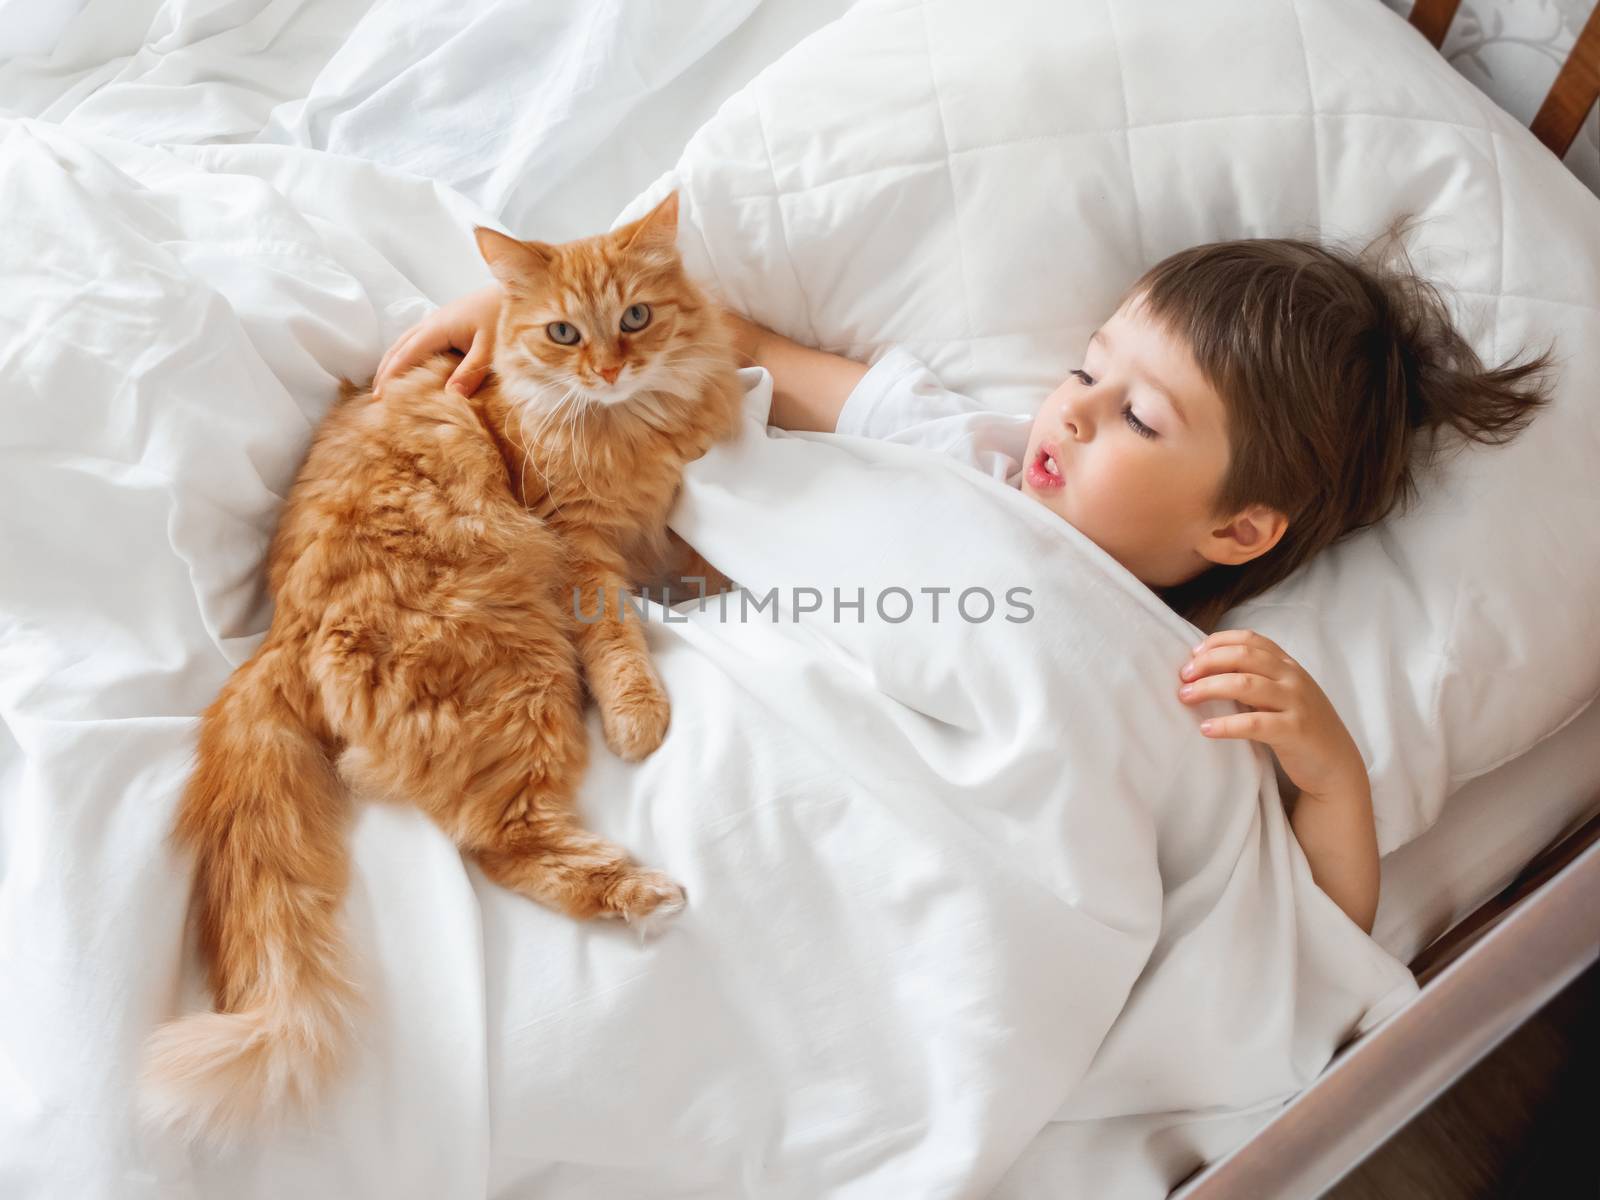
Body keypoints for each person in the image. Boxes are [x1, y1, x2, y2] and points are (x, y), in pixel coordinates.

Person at [372, 226, 1553, 935]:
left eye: (1136, 415)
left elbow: (1311, 927)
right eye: (1086, 370)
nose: (1072, 410)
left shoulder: (1198, 680)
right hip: (721, 692)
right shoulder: (967, 451)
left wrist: (1329, 770)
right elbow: (745, 351)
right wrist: (532, 312)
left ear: (1240, 529)